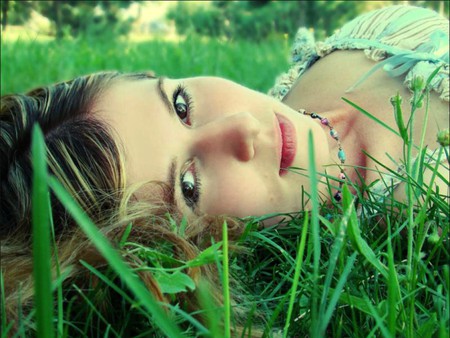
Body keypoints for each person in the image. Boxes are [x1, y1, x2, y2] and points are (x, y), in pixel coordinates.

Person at [1, 4, 448, 334]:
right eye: (189, 186)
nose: (242, 127)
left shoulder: (356, 41)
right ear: (196, 251)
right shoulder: (415, 218)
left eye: (181, 104)